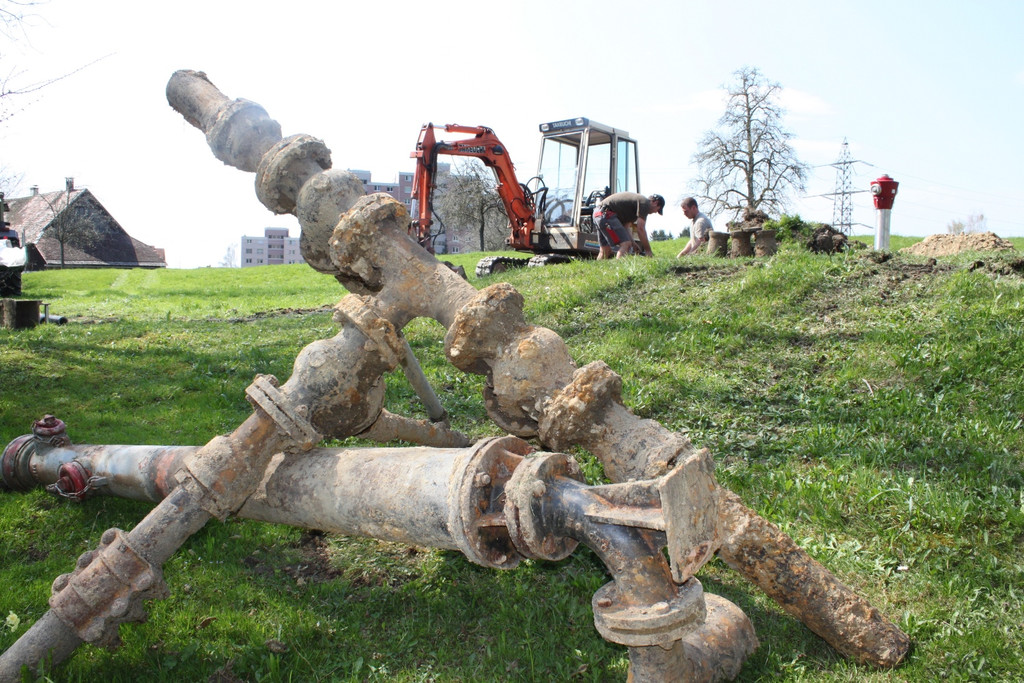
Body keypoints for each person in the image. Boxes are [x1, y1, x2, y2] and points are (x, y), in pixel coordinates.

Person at [593, 192, 664, 259]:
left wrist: (633, 242)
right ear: (655, 203)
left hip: (598, 213)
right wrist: (648, 250)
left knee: (605, 250)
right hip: (606, 213)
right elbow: (641, 228)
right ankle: (618, 271)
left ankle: (596, 272)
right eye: (657, 210)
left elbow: (626, 227)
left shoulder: (634, 208)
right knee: (626, 244)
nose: (655, 212)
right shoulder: (645, 203)